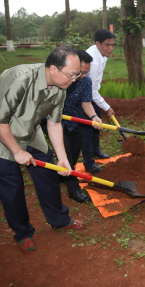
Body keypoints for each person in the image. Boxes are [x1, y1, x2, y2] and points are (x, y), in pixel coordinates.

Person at [0, 46, 86, 254]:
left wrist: (62, 159)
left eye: (77, 75)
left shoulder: (60, 89)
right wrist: (17, 151)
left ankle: (59, 219)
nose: (74, 79)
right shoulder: (18, 79)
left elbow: (54, 124)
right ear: (53, 69)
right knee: (12, 188)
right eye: (71, 75)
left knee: (48, 176)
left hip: (29, 132)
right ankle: (23, 233)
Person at [41, 50, 101, 203]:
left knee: (76, 145)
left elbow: (86, 103)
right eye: (80, 72)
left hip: (70, 118)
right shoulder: (62, 78)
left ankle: (65, 171)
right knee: (65, 151)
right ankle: (73, 189)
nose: (81, 76)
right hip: (52, 119)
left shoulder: (85, 81)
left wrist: (94, 116)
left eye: (86, 73)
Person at [78, 29, 116, 174]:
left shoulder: (101, 53)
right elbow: (91, 92)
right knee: (88, 129)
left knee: (96, 124)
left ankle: (96, 150)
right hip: (84, 98)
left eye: (113, 45)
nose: (111, 48)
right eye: (107, 45)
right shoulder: (92, 62)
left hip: (92, 94)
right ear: (97, 44)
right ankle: (89, 163)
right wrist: (107, 107)